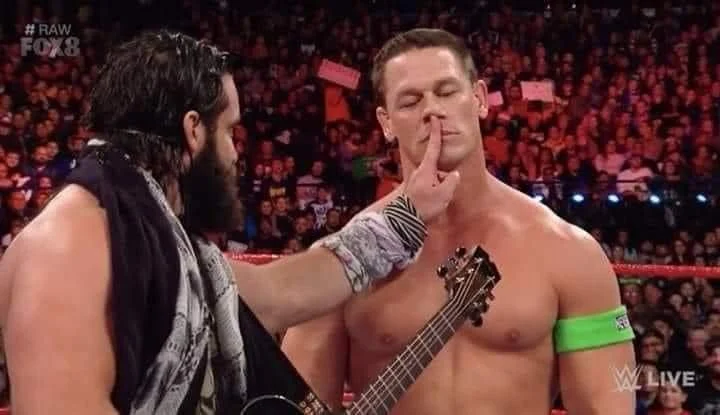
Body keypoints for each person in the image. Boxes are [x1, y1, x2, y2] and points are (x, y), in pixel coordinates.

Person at [0, 30, 460, 414]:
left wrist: (406, 214)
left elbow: (280, 292)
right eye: (229, 131)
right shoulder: (67, 248)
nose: (236, 153)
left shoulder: (151, 239)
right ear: (193, 130)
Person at [282, 28, 637, 414]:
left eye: (447, 92)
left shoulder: (569, 253)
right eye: (410, 101)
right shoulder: (336, 266)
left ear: (479, 98)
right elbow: (299, 409)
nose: (432, 110)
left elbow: (607, 407)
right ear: (386, 122)